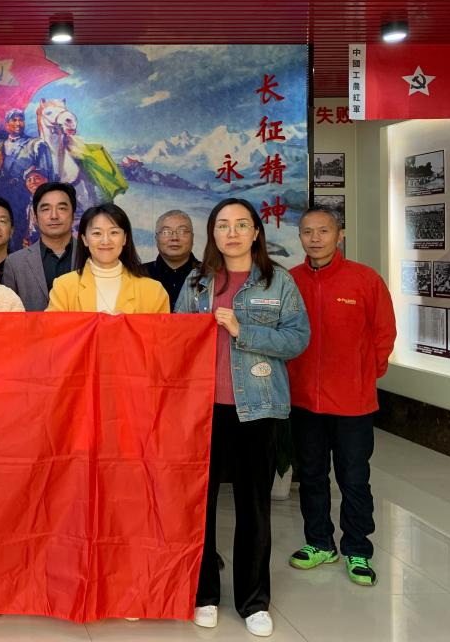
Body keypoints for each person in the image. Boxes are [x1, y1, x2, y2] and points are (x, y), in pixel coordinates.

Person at [175, 198, 310, 638]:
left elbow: (297, 339)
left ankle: (253, 601)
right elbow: (175, 339)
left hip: (258, 409)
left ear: (255, 233)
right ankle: (204, 595)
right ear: (212, 233)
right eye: (222, 225)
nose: (231, 233)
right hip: (202, 410)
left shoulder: (278, 281)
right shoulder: (197, 283)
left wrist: (242, 330)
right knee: (200, 507)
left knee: (254, 507)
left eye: (240, 225)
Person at [286, 207, 396, 587]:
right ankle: (319, 542)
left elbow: (384, 333)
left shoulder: (364, 280)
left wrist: (364, 375)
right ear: (300, 236)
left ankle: (357, 549)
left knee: (354, 477)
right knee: (312, 475)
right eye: (307, 232)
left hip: (353, 403)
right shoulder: (290, 281)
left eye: (324, 230)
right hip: (304, 401)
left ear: (340, 235)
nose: (315, 238)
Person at [47, 203, 169, 313]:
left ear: (125, 238)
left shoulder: (154, 291)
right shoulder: (64, 287)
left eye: (114, 232)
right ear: (85, 239)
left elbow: (161, 331)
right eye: (97, 233)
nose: (105, 241)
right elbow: (53, 330)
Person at [1, 182, 77, 311]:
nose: (54, 216)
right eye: (46, 209)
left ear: (73, 215)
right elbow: (9, 315)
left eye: (62, 208)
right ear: (35, 217)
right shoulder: (15, 263)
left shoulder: (90, 255)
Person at [0, 109, 53, 249]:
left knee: (29, 234)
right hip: (6, 197)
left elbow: (46, 174)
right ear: (6, 124)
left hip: (27, 196)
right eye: (14, 120)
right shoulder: (0, 146)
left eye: (21, 120)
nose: (18, 123)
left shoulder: (36, 144)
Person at [144, 209, 201, 310]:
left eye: (182, 231)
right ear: (156, 238)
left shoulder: (209, 275)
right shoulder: (138, 275)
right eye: (166, 232)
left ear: (192, 237)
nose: (174, 238)